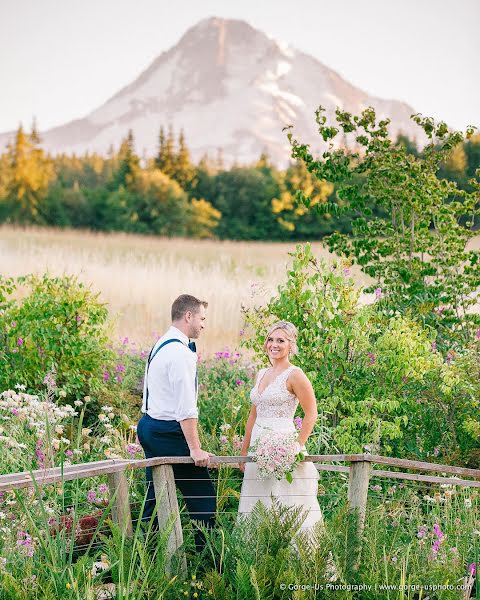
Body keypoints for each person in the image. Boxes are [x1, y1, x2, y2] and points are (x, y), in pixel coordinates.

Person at [137, 294, 216, 552]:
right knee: (202, 498)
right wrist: (195, 449)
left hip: (149, 426)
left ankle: (143, 558)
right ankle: (209, 565)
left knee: (156, 496)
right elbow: (185, 408)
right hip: (169, 432)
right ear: (189, 316)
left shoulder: (162, 343)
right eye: (202, 318)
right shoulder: (181, 353)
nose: (204, 325)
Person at [237, 320, 324, 532]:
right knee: (258, 502)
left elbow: (311, 413)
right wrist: (244, 450)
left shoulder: (295, 375)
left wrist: (296, 446)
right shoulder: (261, 374)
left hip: (282, 447)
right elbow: (253, 414)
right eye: (270, 339)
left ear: (291, 345)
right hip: (258, 448)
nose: (274, 344)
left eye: (281, 340)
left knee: (285, 500)